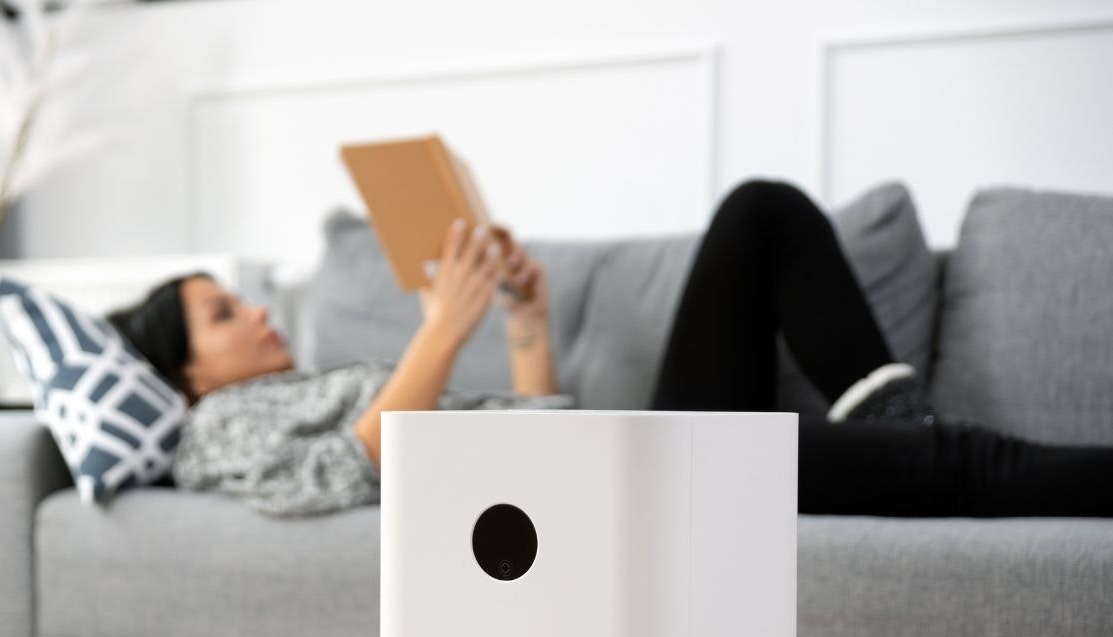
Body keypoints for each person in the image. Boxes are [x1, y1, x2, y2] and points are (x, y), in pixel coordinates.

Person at [108, 179, 1113, 518]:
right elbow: (339, 472)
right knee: (958, 464)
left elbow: (529, 425)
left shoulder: (315, 378)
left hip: (609, 452)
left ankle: (889, 411)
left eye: (241, 299)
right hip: (614, 490)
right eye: (223, 315)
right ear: (184, 370)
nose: (257, 313)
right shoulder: (212, 434)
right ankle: (908, 434)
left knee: (760, 213)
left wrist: (524, 325)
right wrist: (442, 329)